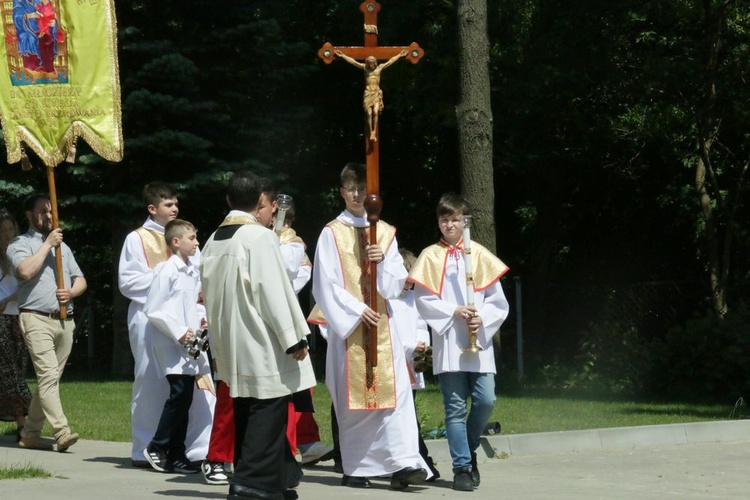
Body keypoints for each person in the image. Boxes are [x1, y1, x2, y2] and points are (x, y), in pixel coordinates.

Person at [309, 162, 429, 490]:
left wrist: (382, 261)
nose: (357, 194)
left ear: (371, 193)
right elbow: (324, 284)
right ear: (342, 192)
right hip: (350, 329)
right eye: (351, 189)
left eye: (362, 189)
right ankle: (357, 468)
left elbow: (395, 286)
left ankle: (403, 464)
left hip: (384, 329)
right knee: (354, 402)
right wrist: (356, 310)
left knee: (396, 398)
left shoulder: (385, 232)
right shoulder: (331, 233)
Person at [200, 171, 316, 500]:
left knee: (243, 408)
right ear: (260, 202)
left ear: (228, 200)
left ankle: (272, 483)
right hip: (261, 339)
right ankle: (250, 485)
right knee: (267, 410)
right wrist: (293, 337)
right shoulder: (259, 239)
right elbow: (272, 291)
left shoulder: (212, 240)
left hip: (230, 340)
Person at [408, 193, 510, 492]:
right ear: (438, 221)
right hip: (450, 340)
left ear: (465, 222)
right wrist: (452, 310)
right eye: (444, 219)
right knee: (453, 406)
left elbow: (498, 301)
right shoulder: (430, 255)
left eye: (455, 219)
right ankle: (462, 466)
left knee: (486, 399)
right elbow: (422, 300)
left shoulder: (479, 254)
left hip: (480, 344)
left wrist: (483, 319)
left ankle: (468, 445)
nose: (449, 225)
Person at [118, 182, 214, 467]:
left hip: (186, 319)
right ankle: (145, 447)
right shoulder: (137, 238)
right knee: (150, 381)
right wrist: (167, 277)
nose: (175, 208)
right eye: (168, 205)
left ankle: (193, 449)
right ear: (152, 208)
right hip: (149, 318)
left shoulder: (186, 236)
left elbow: (199, 277)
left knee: (194, 383)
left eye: (176, 203)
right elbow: (129, 282)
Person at [9, 194, 86, 452]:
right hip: (35, 318)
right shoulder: (18, 243)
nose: (49, 216)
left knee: (49, 381)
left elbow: (81, 279)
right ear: (29, 214)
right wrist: (47, 245)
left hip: (65, 321)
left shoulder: (63, 247)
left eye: (51, 211)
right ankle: (61, 430)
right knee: (48, 376)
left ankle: (30, 433)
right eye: (42, 211)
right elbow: (25, 271)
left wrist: (72, 292)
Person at [142, 219, 210, 474]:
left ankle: (177, 454)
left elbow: (191, 304)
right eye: (192, 238)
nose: (196, 242)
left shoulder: (192, 271)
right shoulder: (166, 270)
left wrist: (201, 321)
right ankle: (157, 446)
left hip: (190, 341)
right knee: (179, 394)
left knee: (186, 397)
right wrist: (180, 333)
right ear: (175, 242)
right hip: (171, 342)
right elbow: (154, 309)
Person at [389, 248, 440, 481]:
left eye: (413, 282)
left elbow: (421, 326)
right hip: (394, 363)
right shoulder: (387, 300)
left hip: (412, 363)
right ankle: (419, 461)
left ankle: (421, 460)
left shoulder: (414, 299)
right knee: (398, 416)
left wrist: (422, 345)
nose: (409, 286)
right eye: (406, 281)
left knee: (409, 414)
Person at [0, 208, 31, 441]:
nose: (8, 234)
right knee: (10, 371)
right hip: (1, 319)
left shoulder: (19, 253)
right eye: (3, 231)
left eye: (11, 229)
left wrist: (9, 299)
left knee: (17, 368)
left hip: (18, 315)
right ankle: (23, 424)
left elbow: (30, 286)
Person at [335, 50, 408, 142]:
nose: (371, 65)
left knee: (375, 111)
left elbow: (390, 61)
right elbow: (353, 62)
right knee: (369, 113)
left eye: (372, 63)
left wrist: (399, 55)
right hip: (368, 93)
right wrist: (343, 55)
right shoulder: (365, 68)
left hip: (376, 93)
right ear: (367, 63)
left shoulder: (380, 68)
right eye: (369, 63)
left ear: (375, 62)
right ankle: (371, 132)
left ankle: (374, 131)